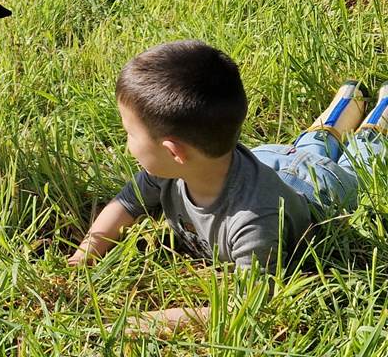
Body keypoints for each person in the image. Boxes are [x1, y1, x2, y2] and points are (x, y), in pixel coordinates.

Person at [67, 39, 388, 332]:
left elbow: (249, 305)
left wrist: (138, 322)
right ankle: (345, 103)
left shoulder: (255, 221)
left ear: (173, 152)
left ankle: (376, 115)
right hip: (268, 159)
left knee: (361, 158)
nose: (127, 145)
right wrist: (83, 257)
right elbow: (126, 203)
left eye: (130, 134)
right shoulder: (166, 172)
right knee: (309, 146)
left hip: (321, 188)